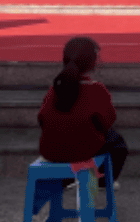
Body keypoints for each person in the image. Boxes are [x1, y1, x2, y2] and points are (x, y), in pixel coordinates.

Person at [38, 37, 127, 191]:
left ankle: (66, 178)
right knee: (117, 143)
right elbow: (108, 121)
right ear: (93, 62)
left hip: (51, 151)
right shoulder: (96, 90)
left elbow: (41, 118)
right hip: (84, 151)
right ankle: (103, 181)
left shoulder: (55, 89)